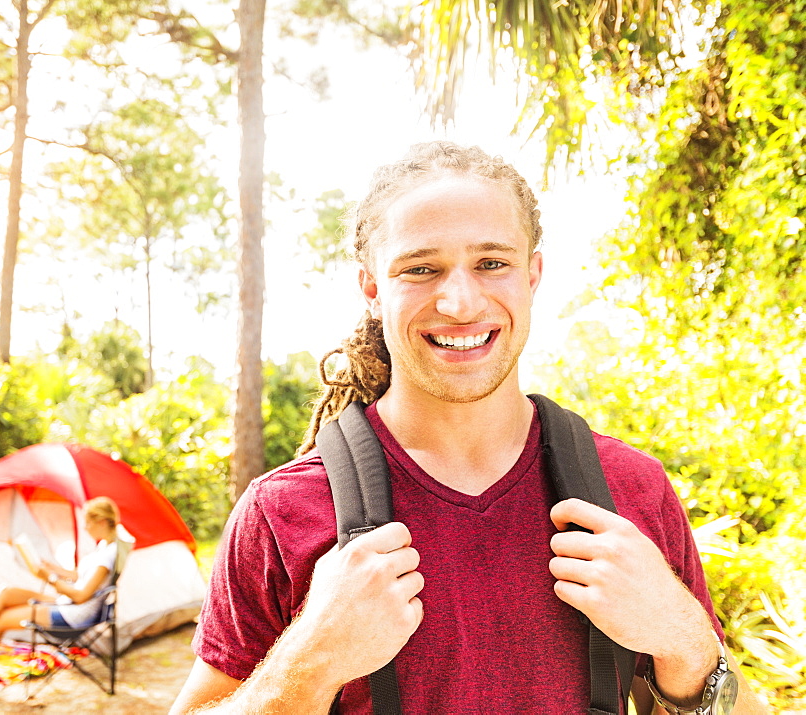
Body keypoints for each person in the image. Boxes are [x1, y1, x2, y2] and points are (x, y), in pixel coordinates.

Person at [170, 142, 765, 714]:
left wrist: (684, 639)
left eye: (491, 263)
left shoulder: (632, 489)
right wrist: (311, 658)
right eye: (421, 269)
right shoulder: (283, 511)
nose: (458, 302)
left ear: (532, 274)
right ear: (372, 289)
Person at [0, 496, 120, 687]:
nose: (85, 527)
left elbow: (81, 596)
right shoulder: (106, 545)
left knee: (1, 620)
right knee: (6, 592)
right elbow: (83, 577)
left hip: (73, 616)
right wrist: (54, 569)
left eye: (88, 522)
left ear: (103, 522)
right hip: (67, 604)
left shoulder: (106, 556)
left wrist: (49, 578)